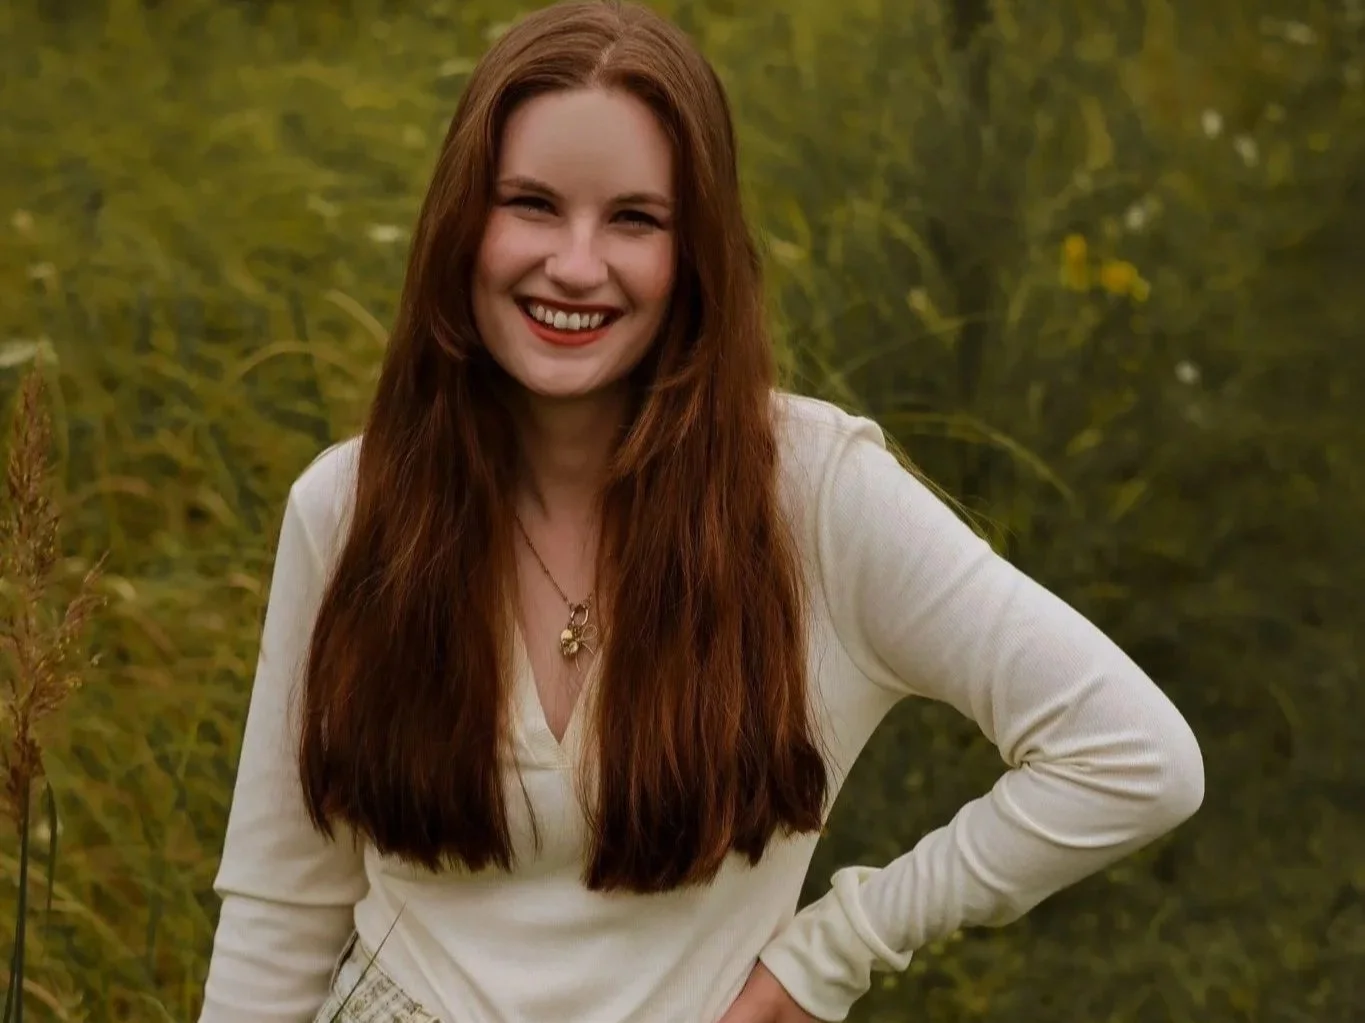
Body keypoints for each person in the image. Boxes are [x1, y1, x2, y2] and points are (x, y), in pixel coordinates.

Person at [196, 2, 1205, 1021]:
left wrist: (832, 955)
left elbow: (1131, 755)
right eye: (532, 204)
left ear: (697, 253)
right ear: (464, 221)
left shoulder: (814, 500)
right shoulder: (350, 507)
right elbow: (282, 909)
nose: (577, 265)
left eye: (634, 219)